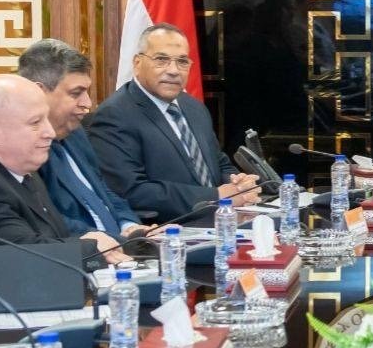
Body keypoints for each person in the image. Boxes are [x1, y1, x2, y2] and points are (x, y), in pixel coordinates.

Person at [0, 75, 131, 304]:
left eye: (46, 120)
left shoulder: (20, 168)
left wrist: (127, 239)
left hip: (35, 298)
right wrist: (92, 248)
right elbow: (25, 256)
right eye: (35, 123)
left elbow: (53, 236)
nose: (49, 132)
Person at [89, 24, 259, 220]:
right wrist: (215, 196)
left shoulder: (194, 107)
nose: (173, 70)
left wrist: (237, 183)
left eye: (182, 61)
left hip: (221, 220)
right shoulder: (114, 115)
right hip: (167, 228)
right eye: (161, 60)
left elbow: (219, 163)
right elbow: (131, 191)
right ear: (137, 63)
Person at [17, 39, 149, 237]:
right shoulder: (22, 148)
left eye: (86, 92)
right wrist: (115, 241)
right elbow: (47, 220)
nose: (87, 103)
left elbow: (103, 191)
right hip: (83, 249)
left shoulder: (76, 133)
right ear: (39, 92)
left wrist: (128, 225)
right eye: (76, 93)